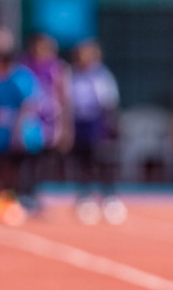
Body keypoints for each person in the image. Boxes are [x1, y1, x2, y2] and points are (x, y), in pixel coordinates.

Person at [0, 26, 45, 226]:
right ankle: (4, 201)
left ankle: (24, 201)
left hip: (22, 133)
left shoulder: (21, 76)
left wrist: (19, 130)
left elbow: (29, 104)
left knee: (21, 169)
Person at [68, 39, 124, 224]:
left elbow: (110, 103)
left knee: (103, 162)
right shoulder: (72, 75)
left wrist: (111, 126)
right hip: (79, 125)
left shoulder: (102, 76)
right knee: (83, 163)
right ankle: (84, 197)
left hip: (98, 125)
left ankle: (109, 197)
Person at [22, 33, 67, 214]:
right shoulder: (25, 66)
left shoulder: (57, 68)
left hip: (49, 120)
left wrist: (63, 125)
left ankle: (37, 194)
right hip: (30, 119)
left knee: (45, 159)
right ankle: (24, 194)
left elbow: (63, 96)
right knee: (27, 158)